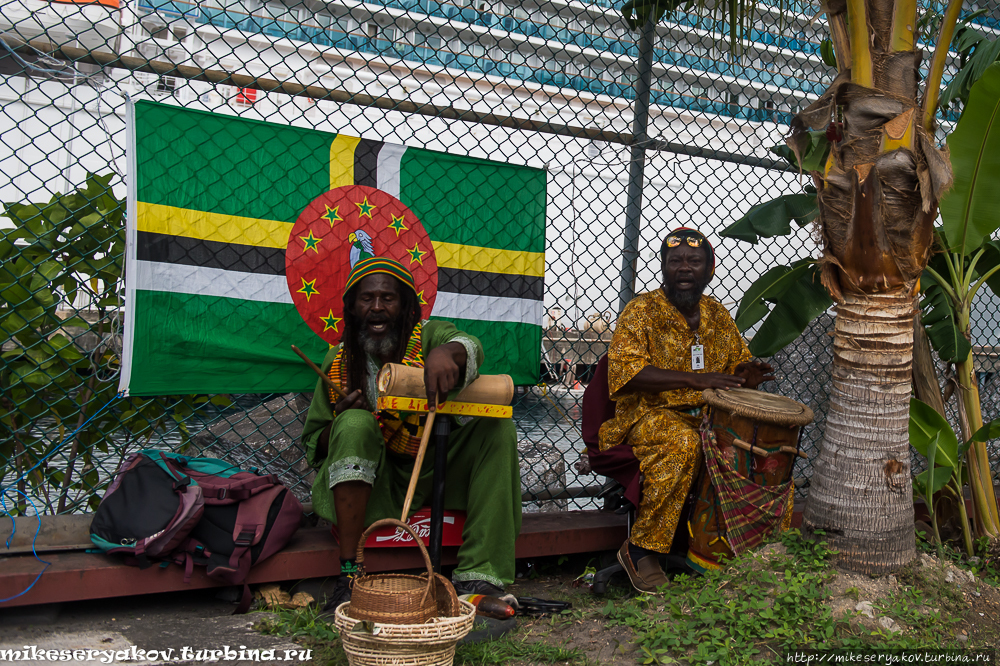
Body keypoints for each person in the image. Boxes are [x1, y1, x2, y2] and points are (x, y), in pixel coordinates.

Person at [301, 257, 522, 611]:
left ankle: (480, 575)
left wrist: (445, 354)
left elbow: (470, 345)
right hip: (378, 480)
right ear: (353, 307)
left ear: (404, 305)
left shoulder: (431, 336)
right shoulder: (338, 361)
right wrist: (342, 421)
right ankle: (349, 575)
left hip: (438, 467)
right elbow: (315, 444)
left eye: (387, 299)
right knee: (355, 423)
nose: (376, 307)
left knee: (497, 428)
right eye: (366, 298)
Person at [598, 228, 774, 594]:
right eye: (674, 261)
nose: (683, 268)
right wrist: (695, 381)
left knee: (754, 446)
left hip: (707, 415)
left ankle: (721, 547)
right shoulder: (641, 311)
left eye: (693, 261)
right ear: (663, 267)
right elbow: (625, 376)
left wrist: (745, 375)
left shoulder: (717, 315)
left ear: (709, 269)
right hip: (646, 415)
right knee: (684, 443)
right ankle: (641, 549)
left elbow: (735, 368)